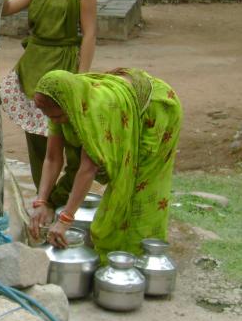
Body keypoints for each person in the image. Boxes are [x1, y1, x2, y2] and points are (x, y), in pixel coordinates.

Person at [27, 68, 183, 261]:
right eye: (49, 116)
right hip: (119, 102)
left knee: (136, 184)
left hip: (155, 112)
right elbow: (52, 158)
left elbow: (88, 168)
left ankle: (138, 256)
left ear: (69, 107)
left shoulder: (94, 113)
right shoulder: (60, 102)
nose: (54, 121)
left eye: (57, 117)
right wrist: (41, 202)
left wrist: (66, 219)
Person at [0, 0, 97, 209]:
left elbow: (89, 34)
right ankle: (43, 204)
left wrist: (82, 77)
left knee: (71, 141)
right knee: (37, 141)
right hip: (33, 68)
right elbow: (6, 8)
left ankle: (61, 199)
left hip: (64, 67)